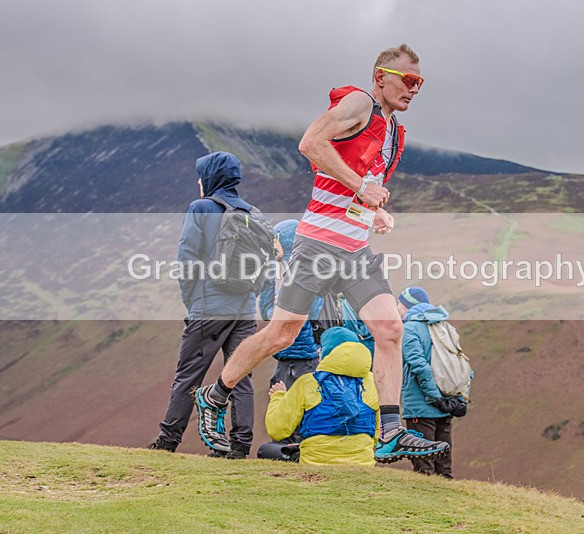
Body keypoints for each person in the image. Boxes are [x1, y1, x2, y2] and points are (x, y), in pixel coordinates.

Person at [194, 43, 449, 462]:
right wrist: (362, 188)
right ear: (381, 77)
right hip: (317, 245)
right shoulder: (359, 103)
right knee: (282, 334)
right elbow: (311, 142)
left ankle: (390, 431)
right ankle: (216, 394)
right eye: (408, 79)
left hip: (356, 249)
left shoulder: (391, 129)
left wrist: (374, 211)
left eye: (420, 83)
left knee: (389, 329)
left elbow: (355, 188)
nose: (414, 88)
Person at [148, 151, 259, 459]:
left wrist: (192, 301)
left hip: (209, 306)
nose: (199, 182)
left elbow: (186, 260)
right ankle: (240, 446)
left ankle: (168, 441)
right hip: (245, 308)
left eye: (201, 175)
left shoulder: (200, 208)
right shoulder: (252, 212)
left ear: (211, 177)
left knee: (189, 375)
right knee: (240, 374)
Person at [264, 327, 379, 465]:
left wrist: (278, 396)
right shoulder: (373, 383)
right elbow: (377, 434)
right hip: (362, 464)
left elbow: (277, 429)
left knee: (265, 450)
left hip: (315, 464)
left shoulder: (307, 382)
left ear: (326, 352)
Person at [398, 287, 469, 478]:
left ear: (408, 306)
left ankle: (425, 496)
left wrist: (434, 398)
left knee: (424, 464)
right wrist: (458, 399)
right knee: (443, 467)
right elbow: (463, 366)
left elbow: (419, 366)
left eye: (399, 305)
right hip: (447, 403)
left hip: (421, 406)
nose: (397, 309)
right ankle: (449, 496)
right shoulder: (445, 327)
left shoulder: (409, 328)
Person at [258, 219, 322, 392]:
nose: (272, 245)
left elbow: (309, 313)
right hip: (286, 356)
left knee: (297, 403)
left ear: (287, 240)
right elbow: (268, 313)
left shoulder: (305, 276)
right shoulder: (287, 277)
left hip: (301, 358)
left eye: (275, 239)